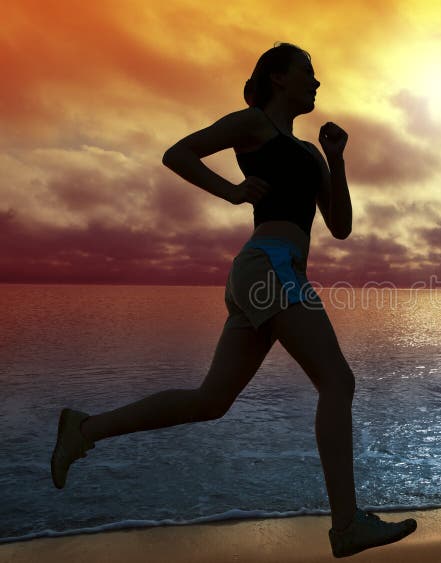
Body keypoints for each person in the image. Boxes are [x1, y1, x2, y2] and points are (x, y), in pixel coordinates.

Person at [50, 41, 417, 558]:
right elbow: (178, 153)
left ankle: (84, 429)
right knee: (337, 380)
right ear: (277, 78)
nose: (317, 83)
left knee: (210, 401)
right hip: (271, 268)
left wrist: (336, 160)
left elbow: (340, 226)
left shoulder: (311, 153)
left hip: (268, 273)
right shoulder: (253, 125)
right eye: (308, 73)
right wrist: (233, 192)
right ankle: (346, 525)